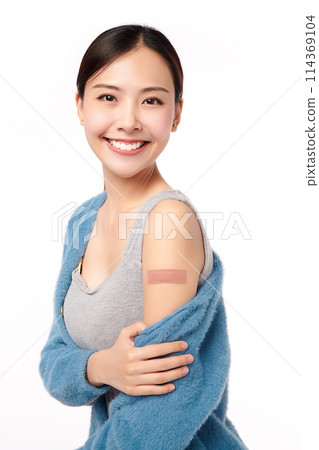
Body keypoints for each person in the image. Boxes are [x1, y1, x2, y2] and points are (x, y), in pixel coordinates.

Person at [39, 24, 247, 449]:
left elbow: (161, 410)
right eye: (108, 97)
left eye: (151, 100)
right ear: (80, 106)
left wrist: (101, 369)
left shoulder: (168, 224)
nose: (129, 121)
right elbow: (53, 363)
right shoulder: (83, 222)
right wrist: (102, 367)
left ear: (177, 113)